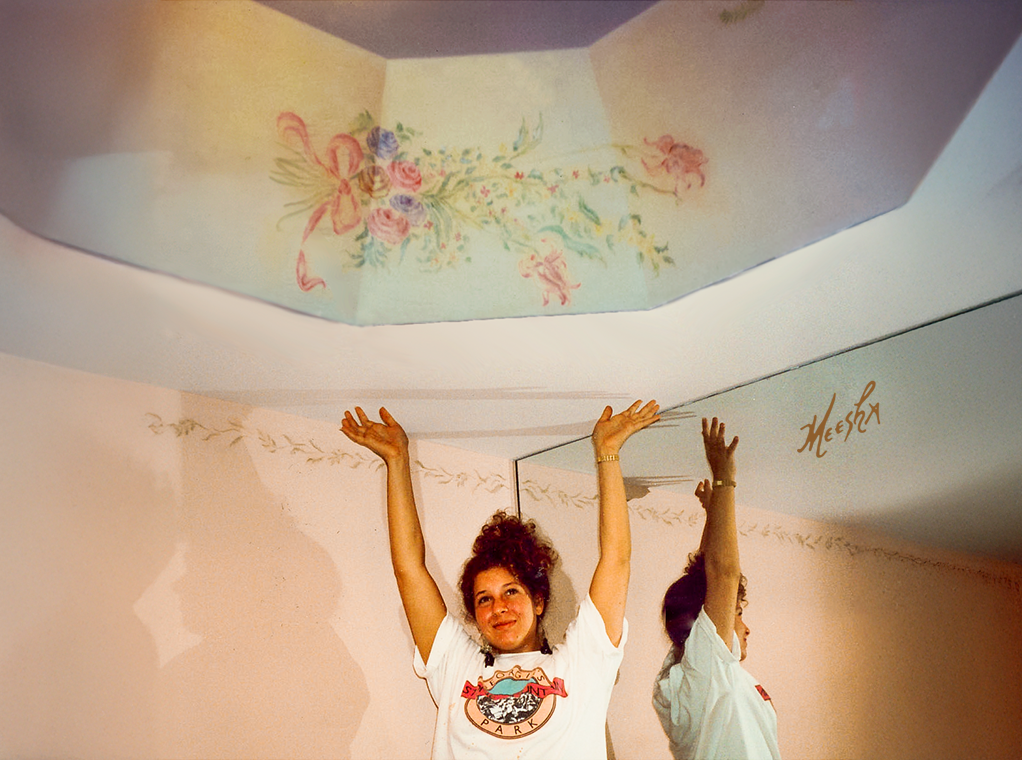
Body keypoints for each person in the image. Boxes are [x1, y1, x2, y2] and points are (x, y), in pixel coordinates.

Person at [341, 400, 660, 760]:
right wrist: (397, 460)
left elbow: (616, 560)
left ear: (538, 601)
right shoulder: (455, 666)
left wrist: (607, 453)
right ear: (474, 614)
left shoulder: (582, 662)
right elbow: (409, 570)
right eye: (484, 599)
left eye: (511, 591)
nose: (499, 608)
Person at [653, 418, 781, 760]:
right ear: (704, 619)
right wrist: (724, 478)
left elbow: (705, 575)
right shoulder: (704, 668)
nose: (745, 626)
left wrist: (714, 515)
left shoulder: (692, 674)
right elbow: (722, 574)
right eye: (736, 612)